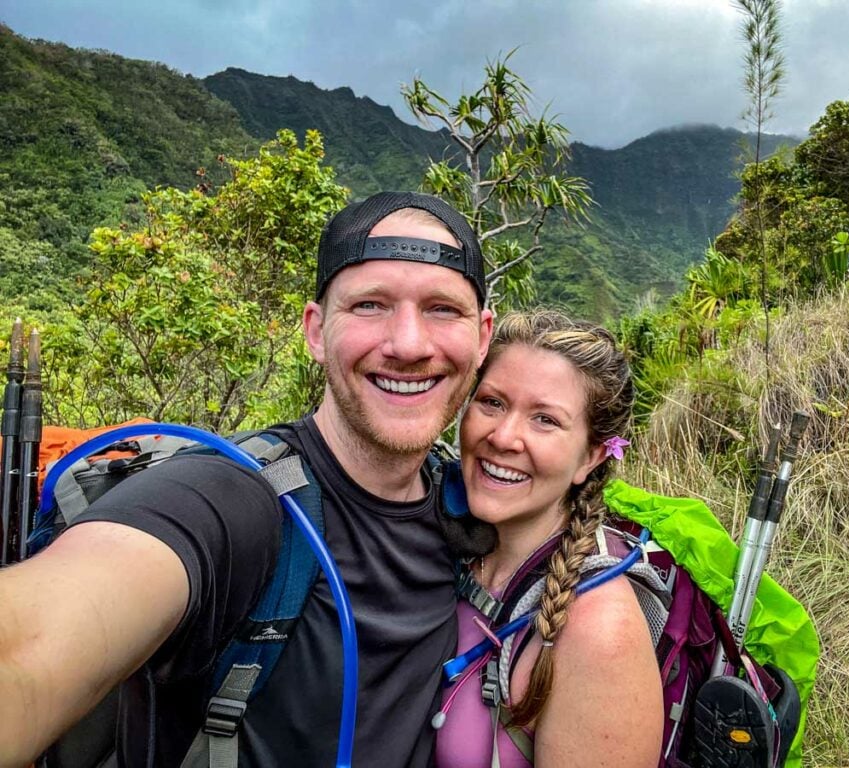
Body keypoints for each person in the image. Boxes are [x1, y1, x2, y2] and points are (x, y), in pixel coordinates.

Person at [0, 191, 495, 768]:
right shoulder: (234, 499)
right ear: (315, 330)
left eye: (442, 309)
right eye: (370, 305)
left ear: (482, 335)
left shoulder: (475, 507)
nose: (408, 344)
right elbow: (29, 643)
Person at [434, 310, 663, 768]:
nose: (503, 437)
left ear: (592, 457)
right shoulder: (447, 540)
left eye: (544, 420)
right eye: (492, 402)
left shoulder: (599, 633)